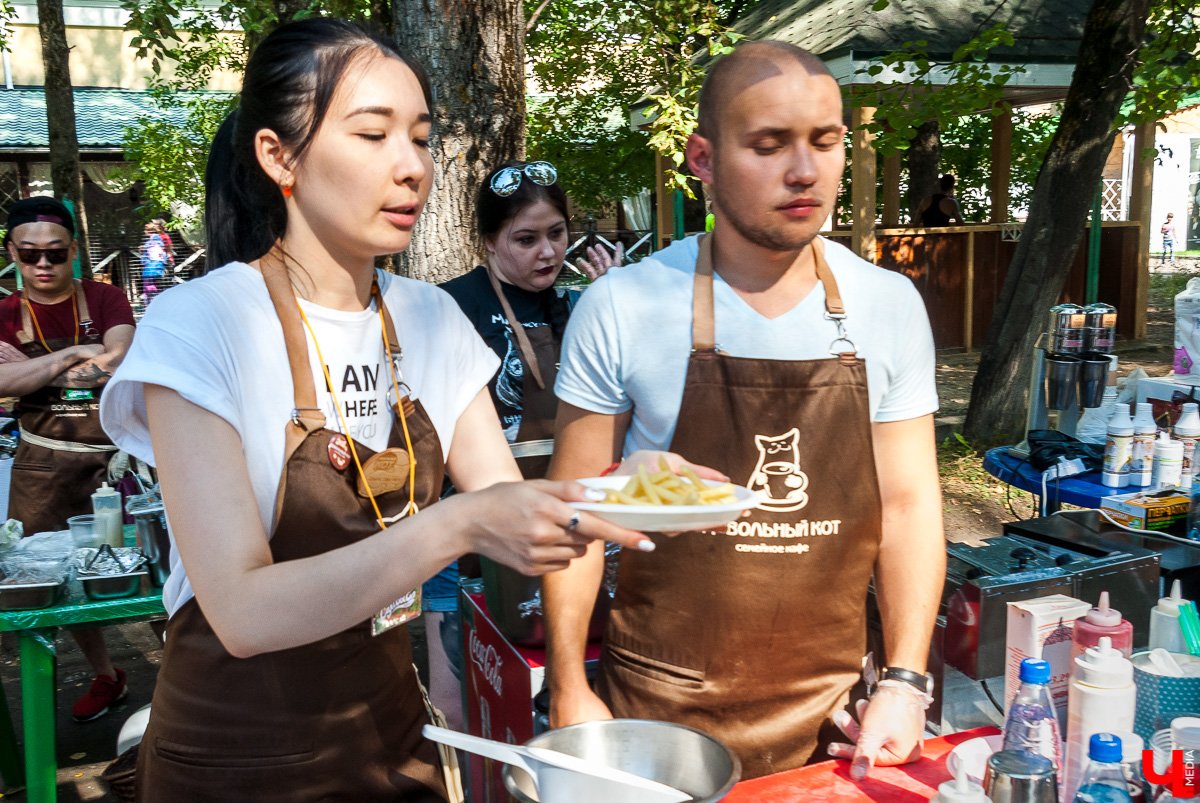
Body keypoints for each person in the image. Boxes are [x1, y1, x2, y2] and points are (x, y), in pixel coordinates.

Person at [99, 19, 657, 801]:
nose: (412, 166)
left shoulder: (429, 318)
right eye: (373, 134)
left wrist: (630, 489)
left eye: (421, 138)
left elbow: (511, 508)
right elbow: (243, 612)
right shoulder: (201, 323)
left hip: (393, 740)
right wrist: (456, 525)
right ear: (279, 156)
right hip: (235, 759)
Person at [542, 40, 945, 782]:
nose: (805, 170)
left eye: (825, 141)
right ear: (702, 158)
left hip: (838, 716)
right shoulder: (623, 305)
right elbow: (577, 511)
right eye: (769, 144)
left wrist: (905, 681)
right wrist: (568, 685)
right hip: (661, 712)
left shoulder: (888, 305)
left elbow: (910, 504)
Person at [429, 161, 621, 725]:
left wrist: (613, 304)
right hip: (465, 526)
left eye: (557, 234)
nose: (547, 252)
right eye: (526, 239)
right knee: (460, 690)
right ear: (489, 241)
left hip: (562, 518)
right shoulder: (447, 308)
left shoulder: (579, 304)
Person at [0, 195, 137, 722]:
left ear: (74, 251)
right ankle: (106, 674)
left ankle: (181, 673)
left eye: (56, 253)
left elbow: (120, 360)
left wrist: (32, 372)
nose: (43, 264)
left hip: (117, 463)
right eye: (29, 254)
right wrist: (74, 353)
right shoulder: (3, 313)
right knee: (49, 580)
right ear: (11, 252)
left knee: (155, 565)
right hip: (41, 470)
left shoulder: (106, 298)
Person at [137, 221, 170, 303]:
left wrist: (142, 249)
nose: (144, 232)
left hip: (152, 266)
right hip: (157, 265)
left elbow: (149, 252)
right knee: (153, 284)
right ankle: (154, 301)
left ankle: (151, 302)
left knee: (148, 285)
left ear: (148, 231)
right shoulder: (158, 240)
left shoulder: (152, 241)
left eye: (145, 230)